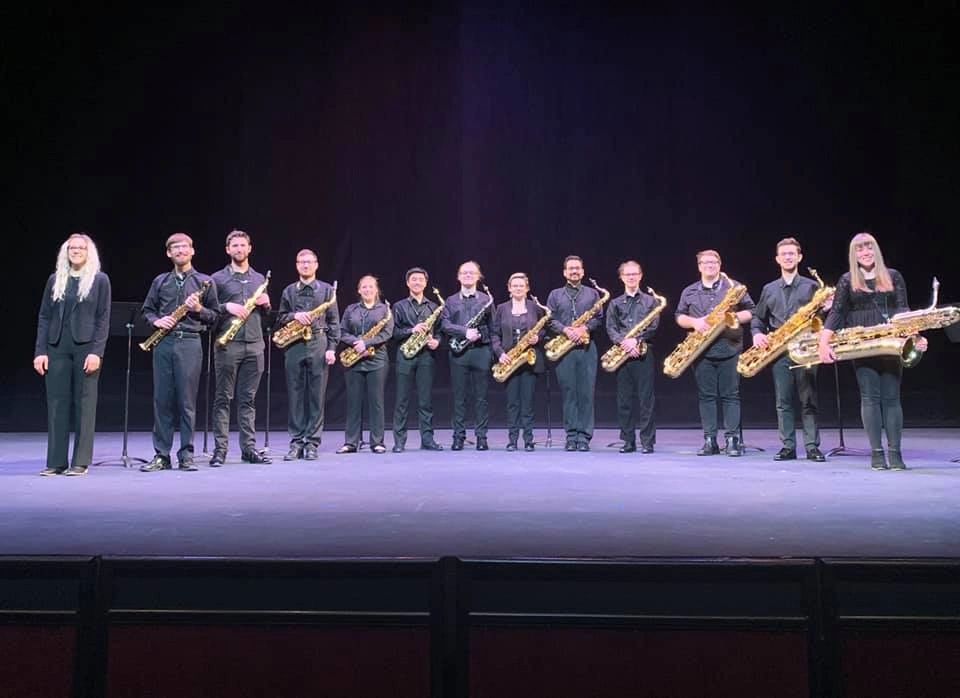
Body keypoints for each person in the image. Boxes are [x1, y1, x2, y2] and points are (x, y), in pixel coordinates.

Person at [818, 232, 926, 470]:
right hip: (861, 345)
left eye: (868, 248)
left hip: (890, 342)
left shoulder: (893, 276)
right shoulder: (847, 280)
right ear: (853, 254)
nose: (864, 252)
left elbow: (903, 308)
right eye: (859, 249)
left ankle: (895, 453)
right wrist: (823, 343)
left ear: (875, 250)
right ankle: (877, 453)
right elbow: (836, 312)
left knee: (891, 398)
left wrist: (914, 335)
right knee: (869, 397)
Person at [33, 233, 111, 476]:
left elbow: (103, 319)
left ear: (89, 253)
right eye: (72, 248)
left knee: (85, 403)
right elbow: (44, 316)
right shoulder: (55, 279)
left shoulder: (100, 280)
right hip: (57, 347)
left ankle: (81, 461)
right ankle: (56, 461)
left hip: (85, 348)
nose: (76, 251)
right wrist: (40, 351)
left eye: (81, 248)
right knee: (56, 404)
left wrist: (97, 352)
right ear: (65, 252)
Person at [140, 233, 219, 472]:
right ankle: (161, 455)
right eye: (175, 248)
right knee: (162, 401)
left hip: (190, 343)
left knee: (187, 402)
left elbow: (215, 316)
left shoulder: (205, 282)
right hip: (164, 343)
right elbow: (147, 311)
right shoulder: (160, 281)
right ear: (169, 253)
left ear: (192, 251)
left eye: (185, 247)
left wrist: (198, 308)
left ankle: (186, 455)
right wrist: (156, 320)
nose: (181, 251)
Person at [751, 237, 826, 462]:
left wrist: (826, 312)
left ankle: (812, 446)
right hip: (779, 351)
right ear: (777, 259)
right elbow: (757, 316)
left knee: (809, 399)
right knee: (783, 401)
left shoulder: (812, 286)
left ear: (799, 257)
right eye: (783, 254)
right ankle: (788, 447)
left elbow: (821, 318)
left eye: (792, 253)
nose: (788, 257)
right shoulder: (769, 289)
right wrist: (757, 333)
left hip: (805, 348)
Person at [675, 249, 755, 457]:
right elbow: (679, 316)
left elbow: (752, 312)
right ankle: (710, 440)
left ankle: (732, 440)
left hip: (730, 347)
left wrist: (731, 317)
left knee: (731, 396)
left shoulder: (734, 287)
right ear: (699, 266)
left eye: (714, 262)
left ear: (720, 265)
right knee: (706, 397)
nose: (710, 265)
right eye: (706, 262)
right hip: (700, 351)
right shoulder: (689, 291)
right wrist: (695, 322)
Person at [209, 230, 271, 466]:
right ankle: (220, 451)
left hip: (255, 345)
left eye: (242, 245)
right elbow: (209, 312)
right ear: (228, 250)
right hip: (227, 344)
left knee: (248, 400)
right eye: (234, 246)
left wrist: (266, 305)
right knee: (223, 398)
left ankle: (248, 449)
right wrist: (227, 307)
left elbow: (266, 318)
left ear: (249, 248)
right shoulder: (217, 279)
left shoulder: (259, 280)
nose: (239, 249)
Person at [276, 249, 339, 461]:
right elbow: (280, 317)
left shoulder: (328, 290)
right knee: (295, 395)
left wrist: (331, 348)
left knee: (316, 395)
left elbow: (334, 323)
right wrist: (295, 315)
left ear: (316, 264)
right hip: (294, 344)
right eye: (301, 262)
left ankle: (312, 442)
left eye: (309, 262)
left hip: (318, 342)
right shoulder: (288, 291)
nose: (305, 265)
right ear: (296, 265)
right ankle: (296, 442)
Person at [546, 255, 604, 451]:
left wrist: (584, 329)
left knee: (586, 393)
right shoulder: (555, 294)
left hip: (587, 348)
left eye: (578, 268)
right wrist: (566, 330)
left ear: (583, 271)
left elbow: (599, 318)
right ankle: (571, 436)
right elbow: (549, 320)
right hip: (564, 348)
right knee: (569, 393)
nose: (574, 271)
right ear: (564, 272)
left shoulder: (593, 294)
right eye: (571, 268)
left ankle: (584, 437)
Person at [605, 260, 659, 454]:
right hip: (622, 354)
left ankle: (647, 441)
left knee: (646, 400)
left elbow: (653, 326)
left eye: (634, 274)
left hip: (644, 352)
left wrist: (636, 341)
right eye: (627, 275)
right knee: (624, 400)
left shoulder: (651, 301)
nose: (631, 277)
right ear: (621, 277)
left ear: (640, 275)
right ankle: (628, 440)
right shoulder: (615, 303)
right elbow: (610, 327)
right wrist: (624, 343)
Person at [337, 276, 394, 454]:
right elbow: (341, 331)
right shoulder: (351, 309)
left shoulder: (385, 310)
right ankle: (351, 442)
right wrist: (356, 342)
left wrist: (367, 344)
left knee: (376, 402)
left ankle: (377, 441)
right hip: (354, 359)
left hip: (376, 360)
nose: (367, 290)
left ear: (376, 290)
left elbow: (387, 333)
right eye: (364, 287)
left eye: (370, 287)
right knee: (353, 402)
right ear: (359, 290)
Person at [441, 260, 494, 451]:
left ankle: (481, 437)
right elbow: (445, 325)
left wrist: (481, 335)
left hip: (480, 351)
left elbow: (493, 328)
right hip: (458, 353)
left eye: (472, 273)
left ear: (478, 276)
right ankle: (458, 437)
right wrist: (465, 332)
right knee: (459, 398)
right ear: (458, 277)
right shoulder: (450, 301)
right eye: (464, 273)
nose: (468, 276)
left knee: (481, 397)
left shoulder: (486, 300)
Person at [491, 273, 547, 451]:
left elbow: (544, 329)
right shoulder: (501, 308)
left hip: (529, 361)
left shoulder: (535, 307)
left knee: (528, 402)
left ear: (527, 288)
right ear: (509, 288)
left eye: (521, 285)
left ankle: (529, 440)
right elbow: (494, 334)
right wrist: (500, 353)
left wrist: (538, 338)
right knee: (512, 403)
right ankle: (512, 440)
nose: (518, 288)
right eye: (514, 285)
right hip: (509, 361)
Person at [391, 267, 444, 452]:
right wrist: (411, 331)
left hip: (426, 357)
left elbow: (440, 332)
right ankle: (399, 442)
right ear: (407, 283)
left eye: (420, 279)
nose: (417, 282)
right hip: (405, 354)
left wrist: (437, 341)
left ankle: (427, 440)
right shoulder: (398, 306)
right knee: (402, 401)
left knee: (425, 400)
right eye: (413, 279)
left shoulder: (434, 307)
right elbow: (393, 333)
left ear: (425, 283)